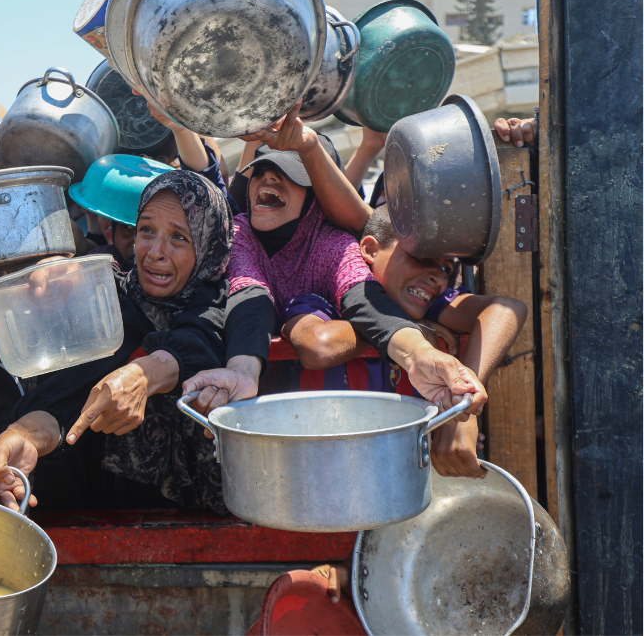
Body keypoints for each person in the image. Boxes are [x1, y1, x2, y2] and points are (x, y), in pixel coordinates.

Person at [185, 100, 488, 423]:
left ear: (315, 199)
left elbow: (364, 298)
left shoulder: (332, 244)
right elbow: (251, 296)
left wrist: (419, 354)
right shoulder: (240, 232)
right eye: (261, 170)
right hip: (254, 401)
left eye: (289, 174)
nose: (269, 178)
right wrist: (242, 370)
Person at [0, 170, 233, 513]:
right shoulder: (114, 294)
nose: (155, 252)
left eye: (179, 237)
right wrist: (25, 436)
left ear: (208, 243)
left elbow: (195, 344)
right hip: (101, 502)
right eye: (146, 230)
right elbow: (68, 396)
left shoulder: (226, 306)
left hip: (198, 513)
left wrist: (143, 375)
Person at [279, 205, 528, 477]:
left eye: (446, 268)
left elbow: (507, 309)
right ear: (370, 250)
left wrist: (460, 412)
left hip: (402, 485)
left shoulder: (430, 302)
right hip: (322, 477)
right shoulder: (322, 301)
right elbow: (319, 346)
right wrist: (408, 327)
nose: (439, 278)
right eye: (421, 257)